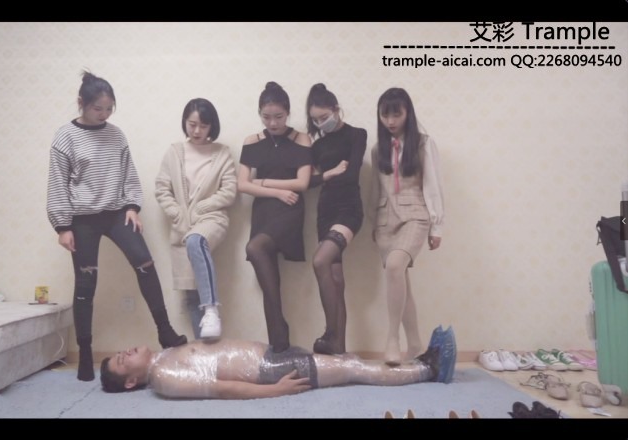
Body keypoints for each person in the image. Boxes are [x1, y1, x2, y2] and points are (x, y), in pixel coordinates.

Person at [46, 71, 187, 381]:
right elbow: (58, 183)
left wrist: (132, 207)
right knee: (86, 285)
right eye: (98, 108)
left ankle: (164, 330)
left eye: (109, 108)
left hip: (116, 213)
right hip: (82, 218)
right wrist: (62, 226)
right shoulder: (65, 137)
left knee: (145, 262)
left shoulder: (116, 135)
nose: (104, 114)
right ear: (81, 103)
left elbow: (128, 175)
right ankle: (85, 353)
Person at [99, 325, 456, 399]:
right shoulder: (163, 377)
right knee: (352, 368)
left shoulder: (164, 354)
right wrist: (276, 391)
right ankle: (429, 369)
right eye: (121, 361)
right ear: (130, 381)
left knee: (348, 361)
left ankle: (419, 363)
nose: (125, 351)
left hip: (271, 357)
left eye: (120, 352)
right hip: (270, 372)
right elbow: (221, 388)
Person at [370, 87, 444, 366]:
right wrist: (373, 223)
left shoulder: (424, 144)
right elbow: (375, 189)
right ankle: (415, 345)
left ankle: (393, 339)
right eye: (385, 115)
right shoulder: (378, 149)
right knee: (400, 280)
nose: (390, 121)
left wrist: (437, 226)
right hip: (385, 220)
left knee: (394, 267)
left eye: (396, 114)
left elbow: (433, 186)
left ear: (408, 114)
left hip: (415, 216)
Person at [237, 82, 312, 353]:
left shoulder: (302, 139)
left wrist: (264, 182)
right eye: (266, 117)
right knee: (267, 268)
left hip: (290, 210)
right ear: (259, 113)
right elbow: (242, 185)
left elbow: (302, 183)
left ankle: (279, 328)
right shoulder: (251, 141)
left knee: (254, 248)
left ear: (288, 113)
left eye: (278, 117)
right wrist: (278, 191)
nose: (272, 123)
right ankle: (279, 344)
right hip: (265, 210)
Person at [155, 98, 237, 340]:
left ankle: (211, 309)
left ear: (212, 126)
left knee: (196, 241)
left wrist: (203, 206)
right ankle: (204, 350)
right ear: (185, 123)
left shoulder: (222, 153)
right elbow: (161, 188)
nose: (197, 131)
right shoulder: (174, 152)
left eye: (203, 125)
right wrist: (177, 213)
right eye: (192, 125)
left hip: (211, 217)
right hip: (181, 225)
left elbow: (229, 190)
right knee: (191, 294)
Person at [305, 83, 367, 355]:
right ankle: (340, 350)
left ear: (336, 109)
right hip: (325, 211)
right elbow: (308, 182)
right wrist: (329, 174)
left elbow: (352, 175)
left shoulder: (357, 134)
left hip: (348, 209)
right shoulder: (317, 145)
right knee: (336, 279)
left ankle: (330, 334)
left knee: (320, 261)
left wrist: (325, 176)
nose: (321, 123)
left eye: (324, 117)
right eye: (316, 120)